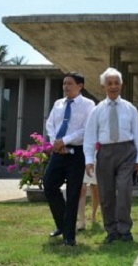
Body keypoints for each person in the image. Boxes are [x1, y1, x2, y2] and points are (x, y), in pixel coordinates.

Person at [84, 67, 138, 244]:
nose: (113, 86)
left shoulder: (130, 108)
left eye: (116, 83)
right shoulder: (97, 110)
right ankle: (111, 229)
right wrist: (89, 160)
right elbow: (89, 137)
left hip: (127, 152)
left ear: (121, 85)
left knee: (124, 190)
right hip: (105, 153)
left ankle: (125, 229)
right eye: (109, 83)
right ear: (104, 86)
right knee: (106, 193)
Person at [44, 72, 96, 247]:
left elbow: (86, 130)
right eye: (64, 83)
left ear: (80, 86)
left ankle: (69, 235)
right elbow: (50, 124)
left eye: (69, 83)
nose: (65, 86)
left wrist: (65, 141)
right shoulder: (58, 104)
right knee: (49, 185)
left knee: (74, 193)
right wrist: (55, 142)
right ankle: (61, 224)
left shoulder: (89, 105)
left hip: (76, 154)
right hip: (58, 153)